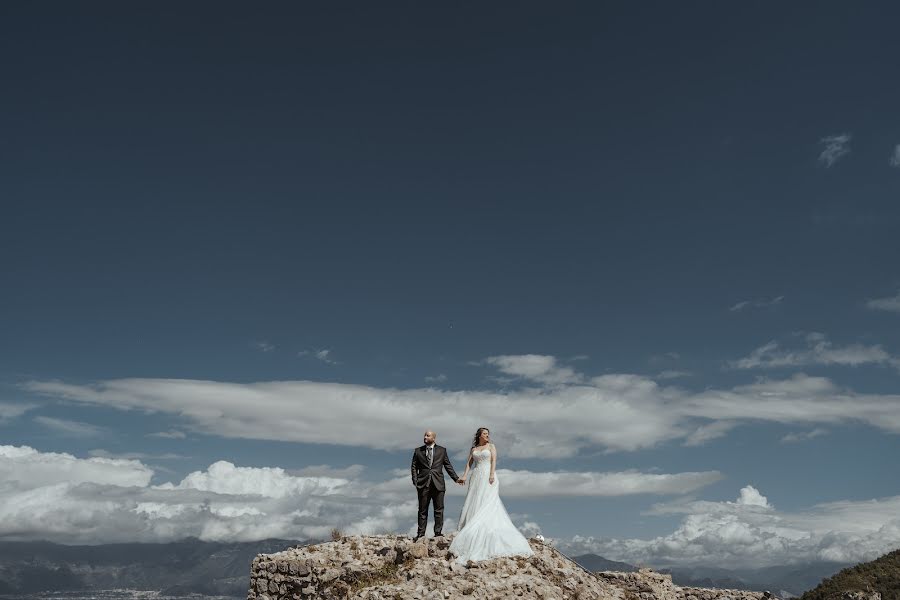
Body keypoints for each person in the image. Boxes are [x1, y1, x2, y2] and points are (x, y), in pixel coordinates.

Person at [449, 427, 534, 563]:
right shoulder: (474, 449)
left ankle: (484, 525)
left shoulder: (492, 446)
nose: (487, 436)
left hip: (488, 474)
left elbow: (493, 460)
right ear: (479, 436)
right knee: (475, 499)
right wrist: (465, 475)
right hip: (476, 476)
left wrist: (492, 474)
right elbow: (469, 463)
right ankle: (471, 525)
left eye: (488, 434)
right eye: (484, 434)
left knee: (488, 500)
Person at [410, 429, 463, 541]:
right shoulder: (418, 451)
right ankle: (420, 534)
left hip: (438, 483)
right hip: (423, 483)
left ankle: (438, 533)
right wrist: (415, 480)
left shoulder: (442, 450)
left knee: (439, 509)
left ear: (433, 438)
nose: (425, 437)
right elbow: (414, 466)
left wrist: (456, 478)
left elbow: (448, 465)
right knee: (422, 509)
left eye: (428, 436)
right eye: (424, 435)